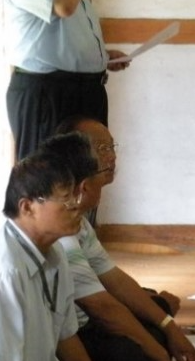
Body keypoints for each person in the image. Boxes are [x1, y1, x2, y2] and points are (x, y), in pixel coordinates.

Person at [49, 117, 195, 361]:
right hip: (78, 331)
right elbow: (100, 308)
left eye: (112, 146)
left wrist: (168, 326)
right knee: (142, 340)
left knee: (154, 309)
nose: (111, 157)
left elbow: (114, 279)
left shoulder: (80, 220)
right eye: (102, 148)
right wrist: (161, 351)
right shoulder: (60, 230)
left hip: (86, 322)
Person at [4, 0, 129, 162]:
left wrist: (103, 57)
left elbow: (66, 36)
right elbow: (63, 6)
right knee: (47, 177)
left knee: (87, 174)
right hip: (47, 96)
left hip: (83, 93)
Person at [0, 133, 96, 361]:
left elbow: (66, 337)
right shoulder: (8, 270)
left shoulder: (56, 252)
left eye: (74, 196)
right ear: (27, 207)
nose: (76, 205)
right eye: (65, 198)